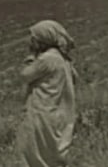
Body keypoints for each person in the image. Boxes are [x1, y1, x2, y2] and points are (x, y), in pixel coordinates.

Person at [17, 20, 78, 167]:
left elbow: (24, 75)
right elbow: (75, 78)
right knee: (53, 155)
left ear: (43, 39)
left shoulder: (46, 59)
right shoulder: (63, 58)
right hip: (60, 111)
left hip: (42, 112)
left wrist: (31, 57)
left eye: (34, 38)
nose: (31, 41)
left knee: (33, 153)